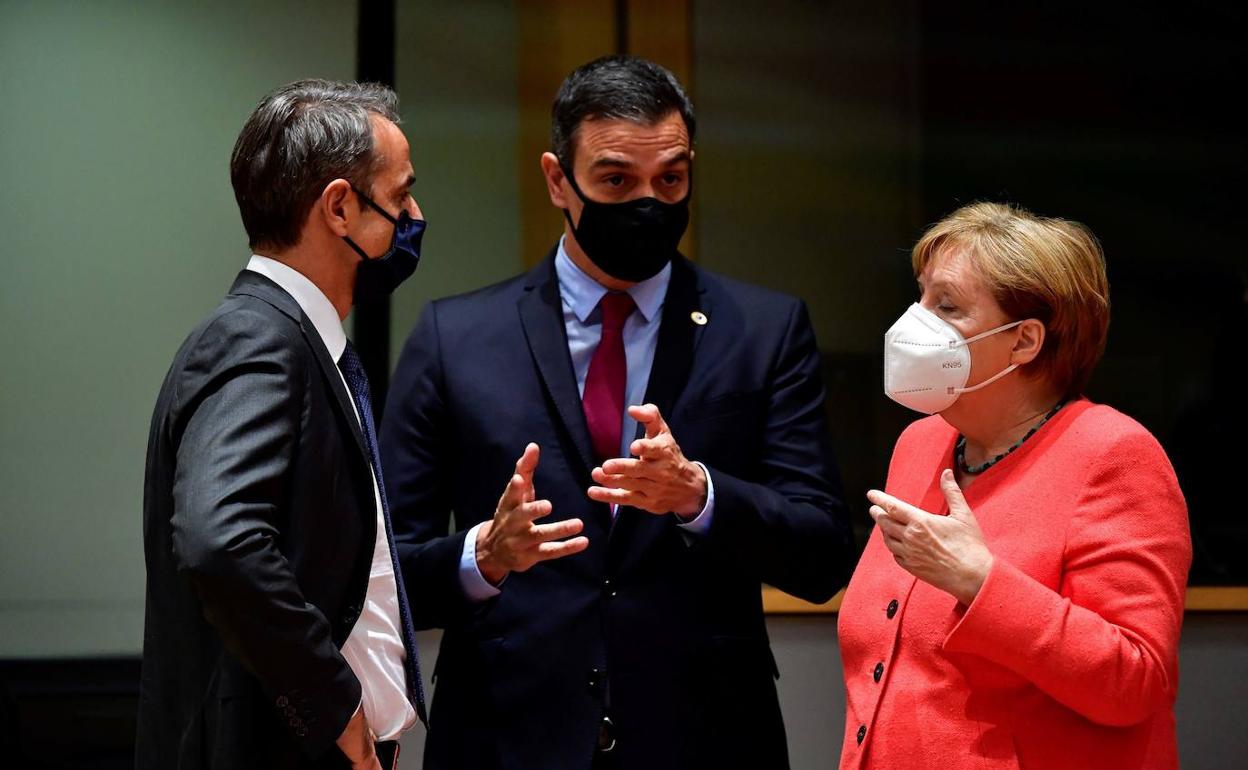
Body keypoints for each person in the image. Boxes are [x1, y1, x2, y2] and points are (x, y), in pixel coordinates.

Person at [379, 55, 853, 769]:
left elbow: (821, 556)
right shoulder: (455, 338)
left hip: (707, 737)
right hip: (509, 736)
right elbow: (387, 573)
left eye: (671, 178)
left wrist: (702, 498)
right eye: (615, 180)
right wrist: (486, 555)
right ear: (556, 181)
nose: (648, 203)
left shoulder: (764, 330)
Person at [137, 80, 429, 770]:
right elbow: (220, 538)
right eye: (401, 195)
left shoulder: (292, 339)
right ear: (339, 207)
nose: (414, 215)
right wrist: (333, 704)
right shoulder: (259, 339)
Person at [838, 202, 1191, 769]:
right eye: (921, 295)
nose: (913, 322)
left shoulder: (1113, 453)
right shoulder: (921, 444)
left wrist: (980, 582)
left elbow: (1135, 680)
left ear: (1025, 341)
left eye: (946, 305)